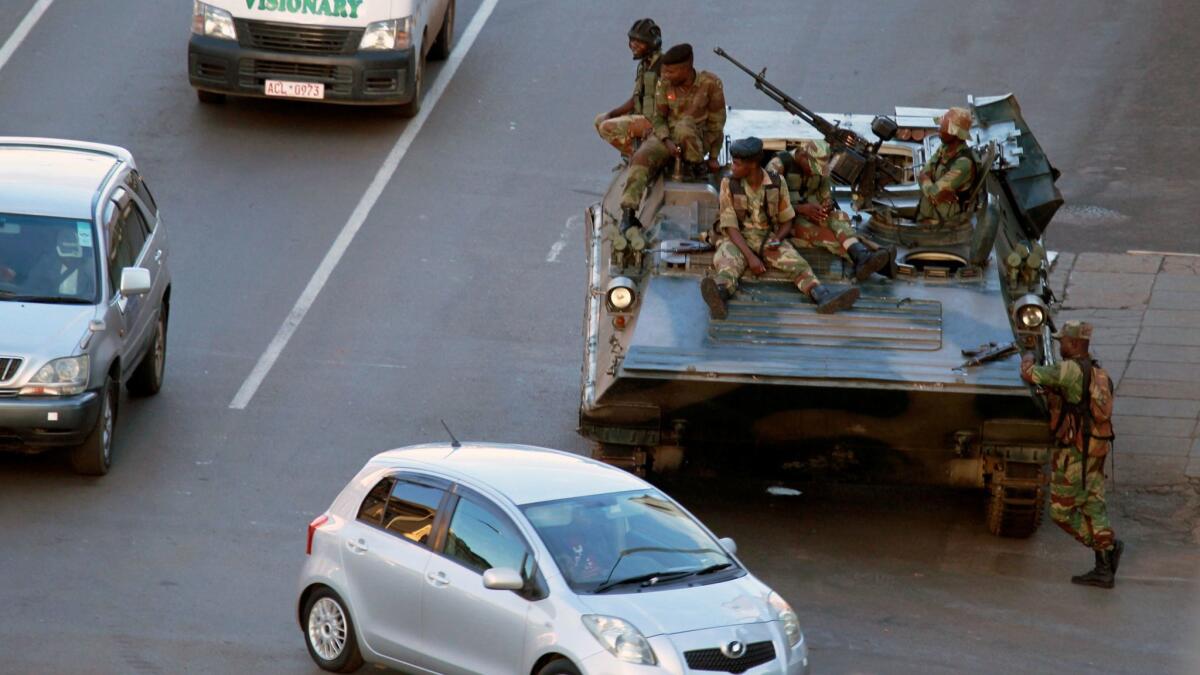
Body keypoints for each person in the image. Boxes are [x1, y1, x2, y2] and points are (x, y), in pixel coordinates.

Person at [699, 137, 859, 320]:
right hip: (737, 238)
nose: (732, 168)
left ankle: (822, 296)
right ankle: (719, 296)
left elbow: (787, 220)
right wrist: (751, 258)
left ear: (751, 165)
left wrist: (779, 238)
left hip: (768, 236)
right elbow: (730, 226)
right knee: (728, 264)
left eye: (736, 164)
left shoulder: (777, 182)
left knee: (798, 264)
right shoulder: (729, 183)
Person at [1020, 320, 1123, 588]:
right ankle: (1104, 569)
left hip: (1075, 452)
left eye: (1063, 341)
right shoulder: (1098, 372)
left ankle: (1106, 549)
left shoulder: (1069, 370)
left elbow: (1031, 375)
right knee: (1094, 505)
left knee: (1060, 511)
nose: (1059, 345)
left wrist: (1028, 356)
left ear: (1075, 344)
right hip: (1096, 448)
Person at [618, 43, 726, 234]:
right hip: (666, 135)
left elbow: (717, 123)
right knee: (641, 157)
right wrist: (666, 141)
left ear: (686, 68)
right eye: (665, 72)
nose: (666, 76)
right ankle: (628, 214)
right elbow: (658, 118)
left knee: (685, 127)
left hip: (697, 138)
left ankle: (694, 168)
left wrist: (714, 155)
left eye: (671, 72)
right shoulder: (664, 84)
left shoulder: (710, 84)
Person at [768, 139, 891, 281]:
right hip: (787, 221)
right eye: (813, 168)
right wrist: (800, 209)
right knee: (826, 236)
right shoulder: (777, 166)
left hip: (812, 213)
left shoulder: (821, 171)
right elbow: (768, 207)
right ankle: (867, 258)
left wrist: (826, 206)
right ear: (802, 156)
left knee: (839, 216)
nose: (815, 173)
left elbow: (826, 196)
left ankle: (862, 256)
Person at [594, 18, 662, 158]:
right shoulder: (645, 65)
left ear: (652, 44)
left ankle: (643, 157)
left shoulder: (663, 66)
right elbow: (636, 98)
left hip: (654, 122)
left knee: (607, 128)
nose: (633, 45)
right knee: (600, 120)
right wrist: (612, 113)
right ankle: (637, 152)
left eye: (639, 42)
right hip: (642, 115)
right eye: (632, 41)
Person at [916, 106, 980, 224]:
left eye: (943, 128)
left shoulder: (963, 164)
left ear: (955, 133)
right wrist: (926, 181)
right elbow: (922, 173)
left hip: (942, 222)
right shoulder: (945, 148)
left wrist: (926, 180)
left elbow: (934, 194)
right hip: (929, 212)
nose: (939, 130)